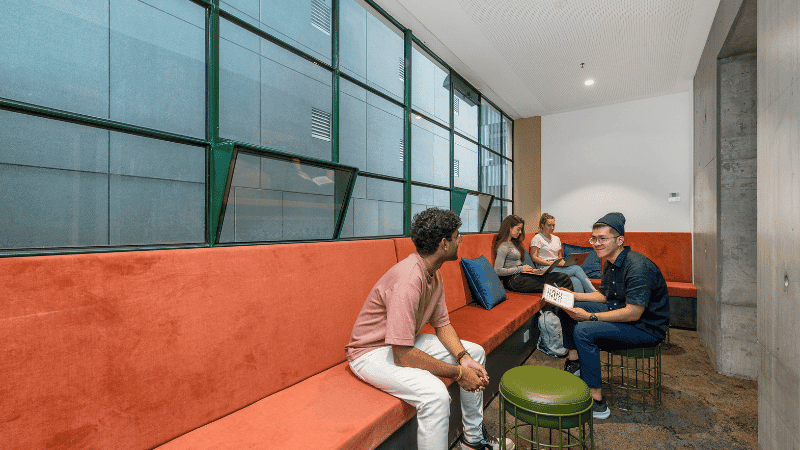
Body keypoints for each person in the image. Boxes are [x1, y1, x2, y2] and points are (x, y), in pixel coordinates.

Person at [346, 207, 514, 450]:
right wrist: (458, 373)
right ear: (444, 243)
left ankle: (473, 441)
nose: (460, 240)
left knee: (474, 353)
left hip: (401, 342)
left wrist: (463, 359)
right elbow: (402, 355)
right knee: (435, 395)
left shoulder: (433, 273)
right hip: (369, 353)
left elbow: (443, 325)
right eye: (458, 236)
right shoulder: (408, 280)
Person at [558, 212, 670, 420]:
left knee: (583, 330)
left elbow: (633, 312)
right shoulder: (610, 261)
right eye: (594, 239)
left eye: (603, 239)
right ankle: (574, 363)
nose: (596, 244)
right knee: (566, 306)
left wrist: (591, 318)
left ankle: (596, 402)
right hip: (624, 314)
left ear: (620, 240)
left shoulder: (637, 267)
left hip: (645, 327)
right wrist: (574, 295)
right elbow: (605, 295)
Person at [493, 214, 573, 293]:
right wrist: (521, 269)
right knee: (563, 279)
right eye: (518, 229)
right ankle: (571, 304)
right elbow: (497, 270)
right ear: (509, 228)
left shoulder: (513, 243)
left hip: (521, 275)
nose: (520, 232)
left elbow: (518, 265)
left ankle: (564, 304)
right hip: (514, 280)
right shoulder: (503, 246)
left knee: (561, 277)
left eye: (521, 229)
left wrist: (533, 271)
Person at [529, 213, 597, 293]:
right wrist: (550, 263)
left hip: (556, 265)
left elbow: (559, 257)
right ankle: (594, 293)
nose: (552, 228)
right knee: (576, 268)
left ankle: (581, 301)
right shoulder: (537, 238)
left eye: (553, 225)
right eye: (549, 225)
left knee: (575, 280)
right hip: (544, 268)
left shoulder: (556, 239)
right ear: (542, 225)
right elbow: (534, 257)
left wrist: (564, 263)